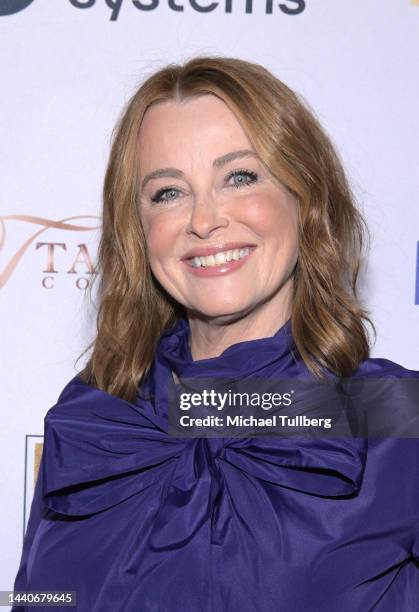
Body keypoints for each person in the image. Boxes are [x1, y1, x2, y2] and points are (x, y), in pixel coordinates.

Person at [12, 55, 419, 611]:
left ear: (307, 199)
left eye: (240, 177)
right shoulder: (93, 415)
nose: (204, 220)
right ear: (138, 229)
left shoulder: (399, 417)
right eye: (168, 192)